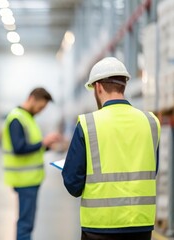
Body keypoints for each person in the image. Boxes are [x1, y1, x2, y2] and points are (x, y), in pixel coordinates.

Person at [62, 57, 160, 240]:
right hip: (141, 225)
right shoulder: (151, 122)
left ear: (98, 87)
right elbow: (151, 171)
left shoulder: (88, 124)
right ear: (124, 85)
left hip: (99, 225)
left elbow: (72, 183)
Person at [2, 88, 61, 240]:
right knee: (25, 224)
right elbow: (19, 148)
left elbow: (32, 147)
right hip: (24, 179)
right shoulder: (17, 119)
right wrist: (43, 143)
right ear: (32, 98)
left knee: (27, 222)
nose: (40, 111)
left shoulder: (27, 118)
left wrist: (46, 145)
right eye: (40, 107)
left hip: (30, 179)